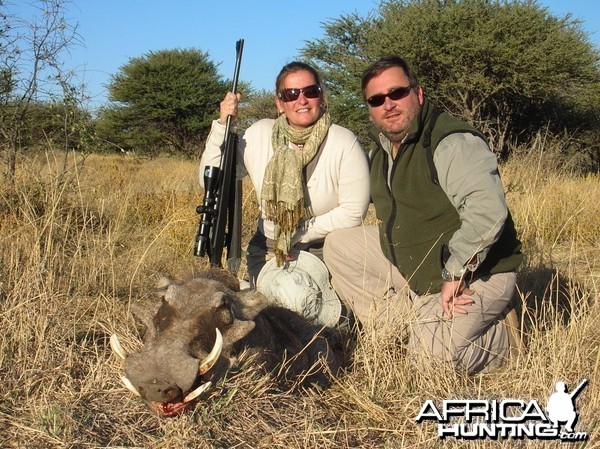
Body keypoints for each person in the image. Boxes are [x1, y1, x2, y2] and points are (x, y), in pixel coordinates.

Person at [324, 56, 524, 374]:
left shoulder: (450, 142)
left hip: (476, 272)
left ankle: (503, 339)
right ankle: (408, 329)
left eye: (397, 93)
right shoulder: (382, 152)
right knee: (338, 245)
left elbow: (487, 212)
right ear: (370, 109)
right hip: (415, 264)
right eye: (377, 100)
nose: (388, 104)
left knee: (431, 361)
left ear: (417, 94)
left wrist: (454, 272)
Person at [201, 61, 370, 287]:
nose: (302, 100)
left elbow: (353, 212)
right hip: (268, 248)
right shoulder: (259, 133)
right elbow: (213, 182)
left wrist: (299, 234)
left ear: (321, 96)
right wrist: (223, 125)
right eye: (291, 94)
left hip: (324, 249)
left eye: (310, 91)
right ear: (279, 103)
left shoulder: (344, 141)